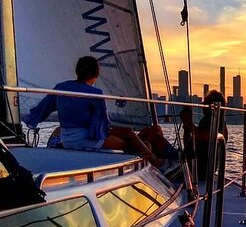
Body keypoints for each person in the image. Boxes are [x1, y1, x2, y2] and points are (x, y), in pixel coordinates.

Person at [24, 56, 168, 167]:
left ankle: (146, 146)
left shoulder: (60, 87)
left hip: (67, 138)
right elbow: (102, 126)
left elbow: (43, 109)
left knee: (129, 133)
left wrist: (29, 119)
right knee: (130, 138)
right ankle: (157, 162)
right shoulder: (95, 93)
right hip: (86, 139)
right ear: (96, 73)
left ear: (78, 71)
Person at [180, 90, 228, 181]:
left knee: (155, 137)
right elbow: (190, 142)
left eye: (204, 104)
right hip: (190, 164)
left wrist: (189, 122)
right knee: (156, 131)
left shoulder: (217, 123)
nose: (202, 106)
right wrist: (187, 125)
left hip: (199, 170)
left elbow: (202, 136)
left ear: (211, 106)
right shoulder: (208, 121)